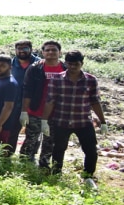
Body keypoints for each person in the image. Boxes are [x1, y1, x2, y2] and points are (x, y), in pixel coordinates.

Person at [43, 50, 106, 187]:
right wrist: (44, 120)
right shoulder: (57, 79)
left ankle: (88, 176)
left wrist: (103, 121)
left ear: (81, 64)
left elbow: (95, 101)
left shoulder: (90, 80)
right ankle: (56, 173)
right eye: (70, 64)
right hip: (61, 121)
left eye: (76, 64)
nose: (72, 67)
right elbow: (50, 101)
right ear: (66, 63)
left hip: (83, 121)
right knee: (58, 149)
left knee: (90, 150)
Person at [20, 40, 65, 169]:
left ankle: (44, 165)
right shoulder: (35, 68)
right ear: (43, 52)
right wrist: (24, 111)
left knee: (49, 141)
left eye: (54, 50)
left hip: (56, 113)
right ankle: (25, 163)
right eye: (47, 50)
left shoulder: (65, 68)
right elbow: (27, 90)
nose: (51, 52)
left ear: (59, 52)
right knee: (31, 139)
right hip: (35, 111)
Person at [7, 39, 39, 155]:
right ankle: (8, 155)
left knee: (34, 133)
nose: (22, 51)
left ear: (31, 49)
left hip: (35, 104)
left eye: (25, 48)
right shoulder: (9, 64)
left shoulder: (39, 64)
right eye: (19, 48)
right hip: (14, 104)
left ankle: (28, 156)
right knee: (12, 131)